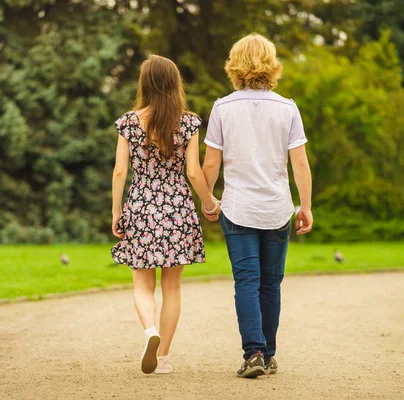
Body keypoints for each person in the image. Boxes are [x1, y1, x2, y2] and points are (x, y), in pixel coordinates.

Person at [201, 33, 313, 378]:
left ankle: (255, 354)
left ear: (235, 65)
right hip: (278, 208)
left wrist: (207, 200)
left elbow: (210, 165)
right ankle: (269, 353)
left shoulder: (222, 107)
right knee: (271, 283)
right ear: (272, 65)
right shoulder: (287, 108)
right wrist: (304, 206)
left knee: (246, 281)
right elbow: (300, 164)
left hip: (238, 209)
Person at [111, 55, 221, 374]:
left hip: (141, 206)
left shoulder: (129, 122)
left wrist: (117, 211)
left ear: (144, 84)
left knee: (142, 285)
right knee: (172, 288)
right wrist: (210, 203)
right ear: (175, 85)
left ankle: (150, 332)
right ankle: (164, 358)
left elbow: (120, 171)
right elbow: (193, 172)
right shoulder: (187, 123)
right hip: (177, 207)